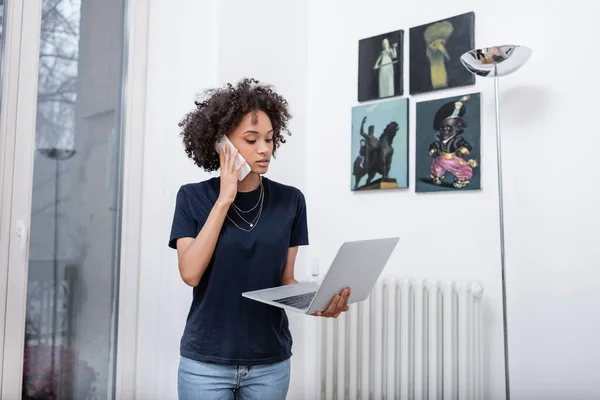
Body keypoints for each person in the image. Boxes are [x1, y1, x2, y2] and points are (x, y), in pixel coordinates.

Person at [169, 78, 351, 400]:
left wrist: (319, 302)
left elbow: (286, 280)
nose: (265, 149)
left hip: (270, 363)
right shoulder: (192, 197)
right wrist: (224, 198)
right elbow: (190, 273)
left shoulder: (291, 201)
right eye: (251, 140)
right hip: (206, 363)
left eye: (269, 139)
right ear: (221, 143)